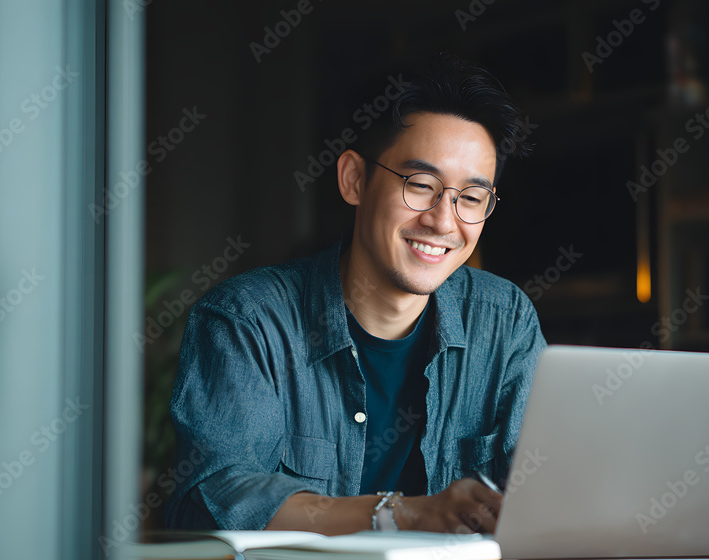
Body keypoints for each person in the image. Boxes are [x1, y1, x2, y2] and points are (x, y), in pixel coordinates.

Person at [164, 54, 546, 535]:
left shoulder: (504, 320)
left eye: (470, 198)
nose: (444, 221)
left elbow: (548, 488)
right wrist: (402, 514)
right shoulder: (247, 322)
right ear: (354, 180)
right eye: (421, 185)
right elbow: (214, 498)